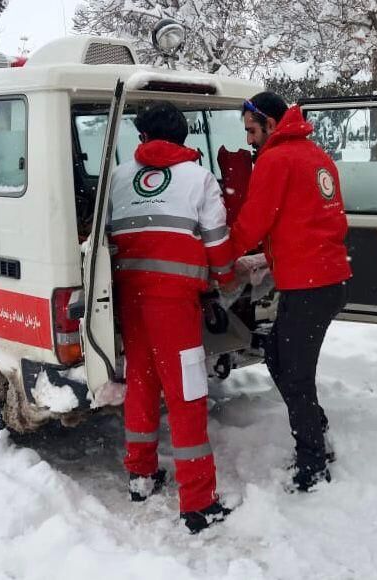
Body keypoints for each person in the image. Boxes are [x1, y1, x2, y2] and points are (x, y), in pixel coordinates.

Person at [107, 101, 235, 534]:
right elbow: (217, 241)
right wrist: (226, 277)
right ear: (184, 137)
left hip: (130, 298)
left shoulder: (120, 177)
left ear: (143, 138)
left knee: (140, 385)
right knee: (187, 396)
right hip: (175, 306)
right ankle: (198, 503)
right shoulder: (199, 178)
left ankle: (141, 476)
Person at [226, 91, 352, 492]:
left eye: (251, 130)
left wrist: (220, 258)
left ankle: (313, 463)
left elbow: (253, 221)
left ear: (269, 122)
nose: (248, 139)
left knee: (294, 374)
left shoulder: (276, 159)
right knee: (279, 354)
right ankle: (316, 427)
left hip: (309, 284)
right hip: (326, 279)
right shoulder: (315, 155)